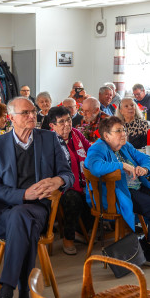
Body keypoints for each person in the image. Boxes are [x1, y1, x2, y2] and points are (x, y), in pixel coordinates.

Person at [0, 97, 73, 298]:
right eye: (26, 113)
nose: (32, 116)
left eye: (33, 111)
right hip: (6, 212)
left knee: (22, 218)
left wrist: (58, 180)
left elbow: (68, 174)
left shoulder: (49, 139)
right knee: (20, 221)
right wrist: (23, 194)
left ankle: (5, 296)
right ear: (10, 118)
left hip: (38, 209)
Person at [85, 116, 150, 267]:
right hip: (115, 195)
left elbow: (146, 158)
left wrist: (145, 168)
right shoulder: (98, 147)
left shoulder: (125, 146)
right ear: (106, 135)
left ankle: (148, 245)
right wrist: (122, 165)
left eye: (124, 130)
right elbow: (95, 167)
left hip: (134, 188)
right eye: (118, 131)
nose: (123, 133)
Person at [46, 106, 92, 255]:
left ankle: (80, 231)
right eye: (61, 122)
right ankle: (68, 238)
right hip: (62, 186)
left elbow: (90, 150)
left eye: (68, 120)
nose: (67, 124)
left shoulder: (76, 134)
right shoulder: (49, 141)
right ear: (52, 125)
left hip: (82, 181)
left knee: (96, 193)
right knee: (73, 199)